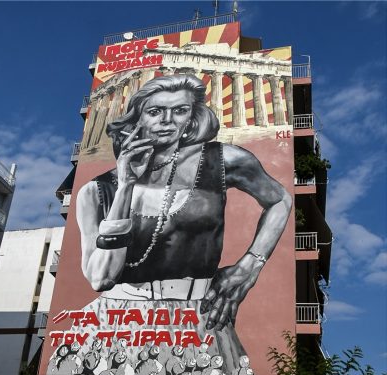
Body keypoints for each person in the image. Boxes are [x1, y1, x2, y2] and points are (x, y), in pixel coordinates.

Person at [76, 74, 291, 333]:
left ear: (191, 118)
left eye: (179, 110)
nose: (167, 120)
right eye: (155, 111)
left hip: (196, 317)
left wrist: (251, 265)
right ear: (137, 119)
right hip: (118, 322)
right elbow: (101, 279)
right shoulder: (95, 192)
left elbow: (280, 199)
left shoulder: (224, 160)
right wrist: (125, 187)